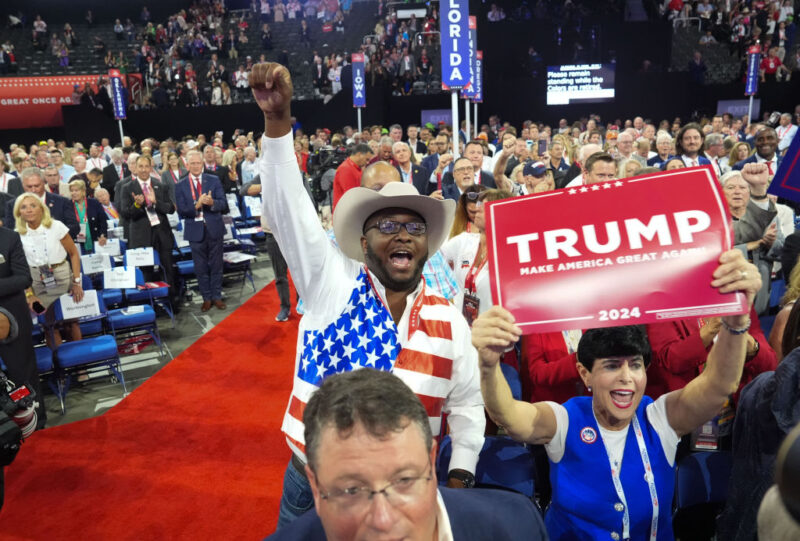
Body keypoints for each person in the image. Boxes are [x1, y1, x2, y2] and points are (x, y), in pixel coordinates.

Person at [250, 62, 485, 528]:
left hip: (408, 493)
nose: (402, 236)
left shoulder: (450, 318)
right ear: (361, 240)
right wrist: (278, 124)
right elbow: (287, 206)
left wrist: (460, 475)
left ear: (427, 241)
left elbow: (467, 403)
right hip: (314, 483)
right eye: (386, 226)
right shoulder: (329, 278)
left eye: (413, 227)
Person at [472, 248, 761, 540]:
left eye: (635, 365)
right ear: (585, 374)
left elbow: (718, 385)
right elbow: (509, 415)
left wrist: (736, 325)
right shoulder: (565, 419)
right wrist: (488, 364)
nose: (626, 377)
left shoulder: (659, 417)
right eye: (612, 366)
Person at [266, 369, 548, 540]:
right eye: (351, 490)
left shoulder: (516, 526)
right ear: (315, 486)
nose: (384, 520)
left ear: (431, 460)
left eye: (404, 480)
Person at [14, 193, 84, 347]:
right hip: (36, 281)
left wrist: (77, 282)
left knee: (71, 322)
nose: (29, 210)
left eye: (33, 205)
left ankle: (80, 368)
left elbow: (73, 254)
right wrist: (29, 294)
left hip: (62, 276)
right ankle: (59, 365)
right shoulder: (17, 234)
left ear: (41, 208)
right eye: (24, 207)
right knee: (48, 325)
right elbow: (20, 268)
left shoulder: (56, 226)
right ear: (19, 212)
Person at [440, 189, 512, 327]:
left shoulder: (509, 251)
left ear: (499, 211)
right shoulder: (463, 241)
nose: (477, 209)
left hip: (494, 335)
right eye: (479, 204)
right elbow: (431, 257)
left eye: (483, 206)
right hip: (462, 331)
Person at [0, 227, 44, 428]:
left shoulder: (9, 237)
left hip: (12, 316)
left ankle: (31, 420)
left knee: (21, 374)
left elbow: (23, 277)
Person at [175, 150, 227, 312]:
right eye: (193, 164)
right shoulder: (180, 185)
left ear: (202, 163)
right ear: (187, 165)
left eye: (198, 163)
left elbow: (223, 204)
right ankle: (206, 298)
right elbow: (182, 212)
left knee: (217, 265)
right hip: (195, 231)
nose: (196, 166)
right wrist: (196, 206)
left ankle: (217, 296)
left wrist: (212, 202)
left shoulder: (213, 179)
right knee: (201, 267)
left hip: (214, 228)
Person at [119, 155, 176, 291]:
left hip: (162, 234)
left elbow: (171, 209)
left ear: (151, 168)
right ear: (135, 168)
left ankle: (172, 300)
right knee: (146, 272)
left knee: (168, 269)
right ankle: (150, 304)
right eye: (141, 166)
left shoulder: (160, 186)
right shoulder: (127, 187)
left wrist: (156, 202)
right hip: (141, 237)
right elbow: (125, 213)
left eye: (146, 166)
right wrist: (137, 205)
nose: (144, 170)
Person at [3, 168, 79, 239]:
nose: (33, 190)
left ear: (44, 183)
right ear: (23, 185)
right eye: (29, 186)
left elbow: (74, 227)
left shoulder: (62, 202)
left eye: (37, 186)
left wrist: (54, 236)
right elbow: (9, 231)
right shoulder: (13, 205)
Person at [68, 179, 107, 254]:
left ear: (83, 191)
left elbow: (103, 221)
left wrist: (103, 235)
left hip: (96, 240)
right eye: (72, 191)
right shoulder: (68, 205)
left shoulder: (94, 203)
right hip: (77, 243)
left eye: (76, 190)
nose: (73, 193)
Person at [332, 144, 373, 210]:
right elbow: (351, 196)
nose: (367, 162)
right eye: (367, 159)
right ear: (359, 154)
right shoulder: (346, 169)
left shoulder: (357, 168)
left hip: (353, 210)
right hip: (345, 213)